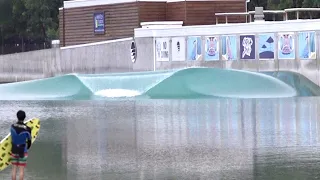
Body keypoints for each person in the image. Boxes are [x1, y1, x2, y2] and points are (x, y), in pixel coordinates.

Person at [10, 110, 31, 180]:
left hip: (14, 150)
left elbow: (11, 138)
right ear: (24, 117)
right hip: (23, 151)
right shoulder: (27, 129)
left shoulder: (12, 127)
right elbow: (29, 142)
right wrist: (27, 148)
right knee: (21, 171)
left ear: (17, 117)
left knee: (14, 170)